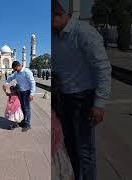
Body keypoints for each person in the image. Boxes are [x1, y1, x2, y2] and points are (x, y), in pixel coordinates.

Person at [52, 1, 112, 180]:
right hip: (64, 99)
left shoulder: (84, 33)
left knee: (84, 149)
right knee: (70, 145)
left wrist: (99, 104)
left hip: (83, 99)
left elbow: (102, 68)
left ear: (56, 13)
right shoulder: (55, 35)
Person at [3, 61, 36, 132]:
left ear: (18, 66)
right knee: (22, 107)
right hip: (20, 92)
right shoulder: (16, 73)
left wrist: (32, 94)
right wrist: (6, 83)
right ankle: (23, 121)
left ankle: (27, 124)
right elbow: (10, 77)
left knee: (26, 108)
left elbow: (32, 82)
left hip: (27, 92)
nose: (15, 71)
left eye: (15, 69)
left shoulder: (27, 72)